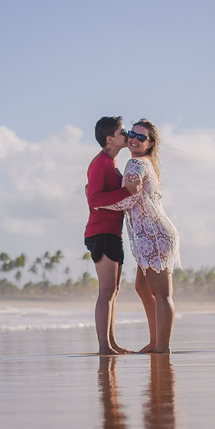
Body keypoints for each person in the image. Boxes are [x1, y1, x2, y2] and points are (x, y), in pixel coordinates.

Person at [101, 119, 180, 353]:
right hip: (149, 237)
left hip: (155, 236)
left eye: (141, 137)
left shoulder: (136, 164)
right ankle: (156, 341)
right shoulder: (145, 163)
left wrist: (97, 202)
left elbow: (128, 198)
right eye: (131, 133)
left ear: (150, 143)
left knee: (162, 294)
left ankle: (162, 347)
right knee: (143, 289)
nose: (134, 138)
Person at [86, 116, 142, 355]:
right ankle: (104, 347)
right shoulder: (101, 163)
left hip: (112, 232)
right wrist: (125, 191)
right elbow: (94, 200)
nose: (127, 134)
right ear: (110, 139)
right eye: (122, 131)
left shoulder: (111, 162)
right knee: (106, 291)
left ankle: (112, 343)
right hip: (101, 232)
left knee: (113, 292)